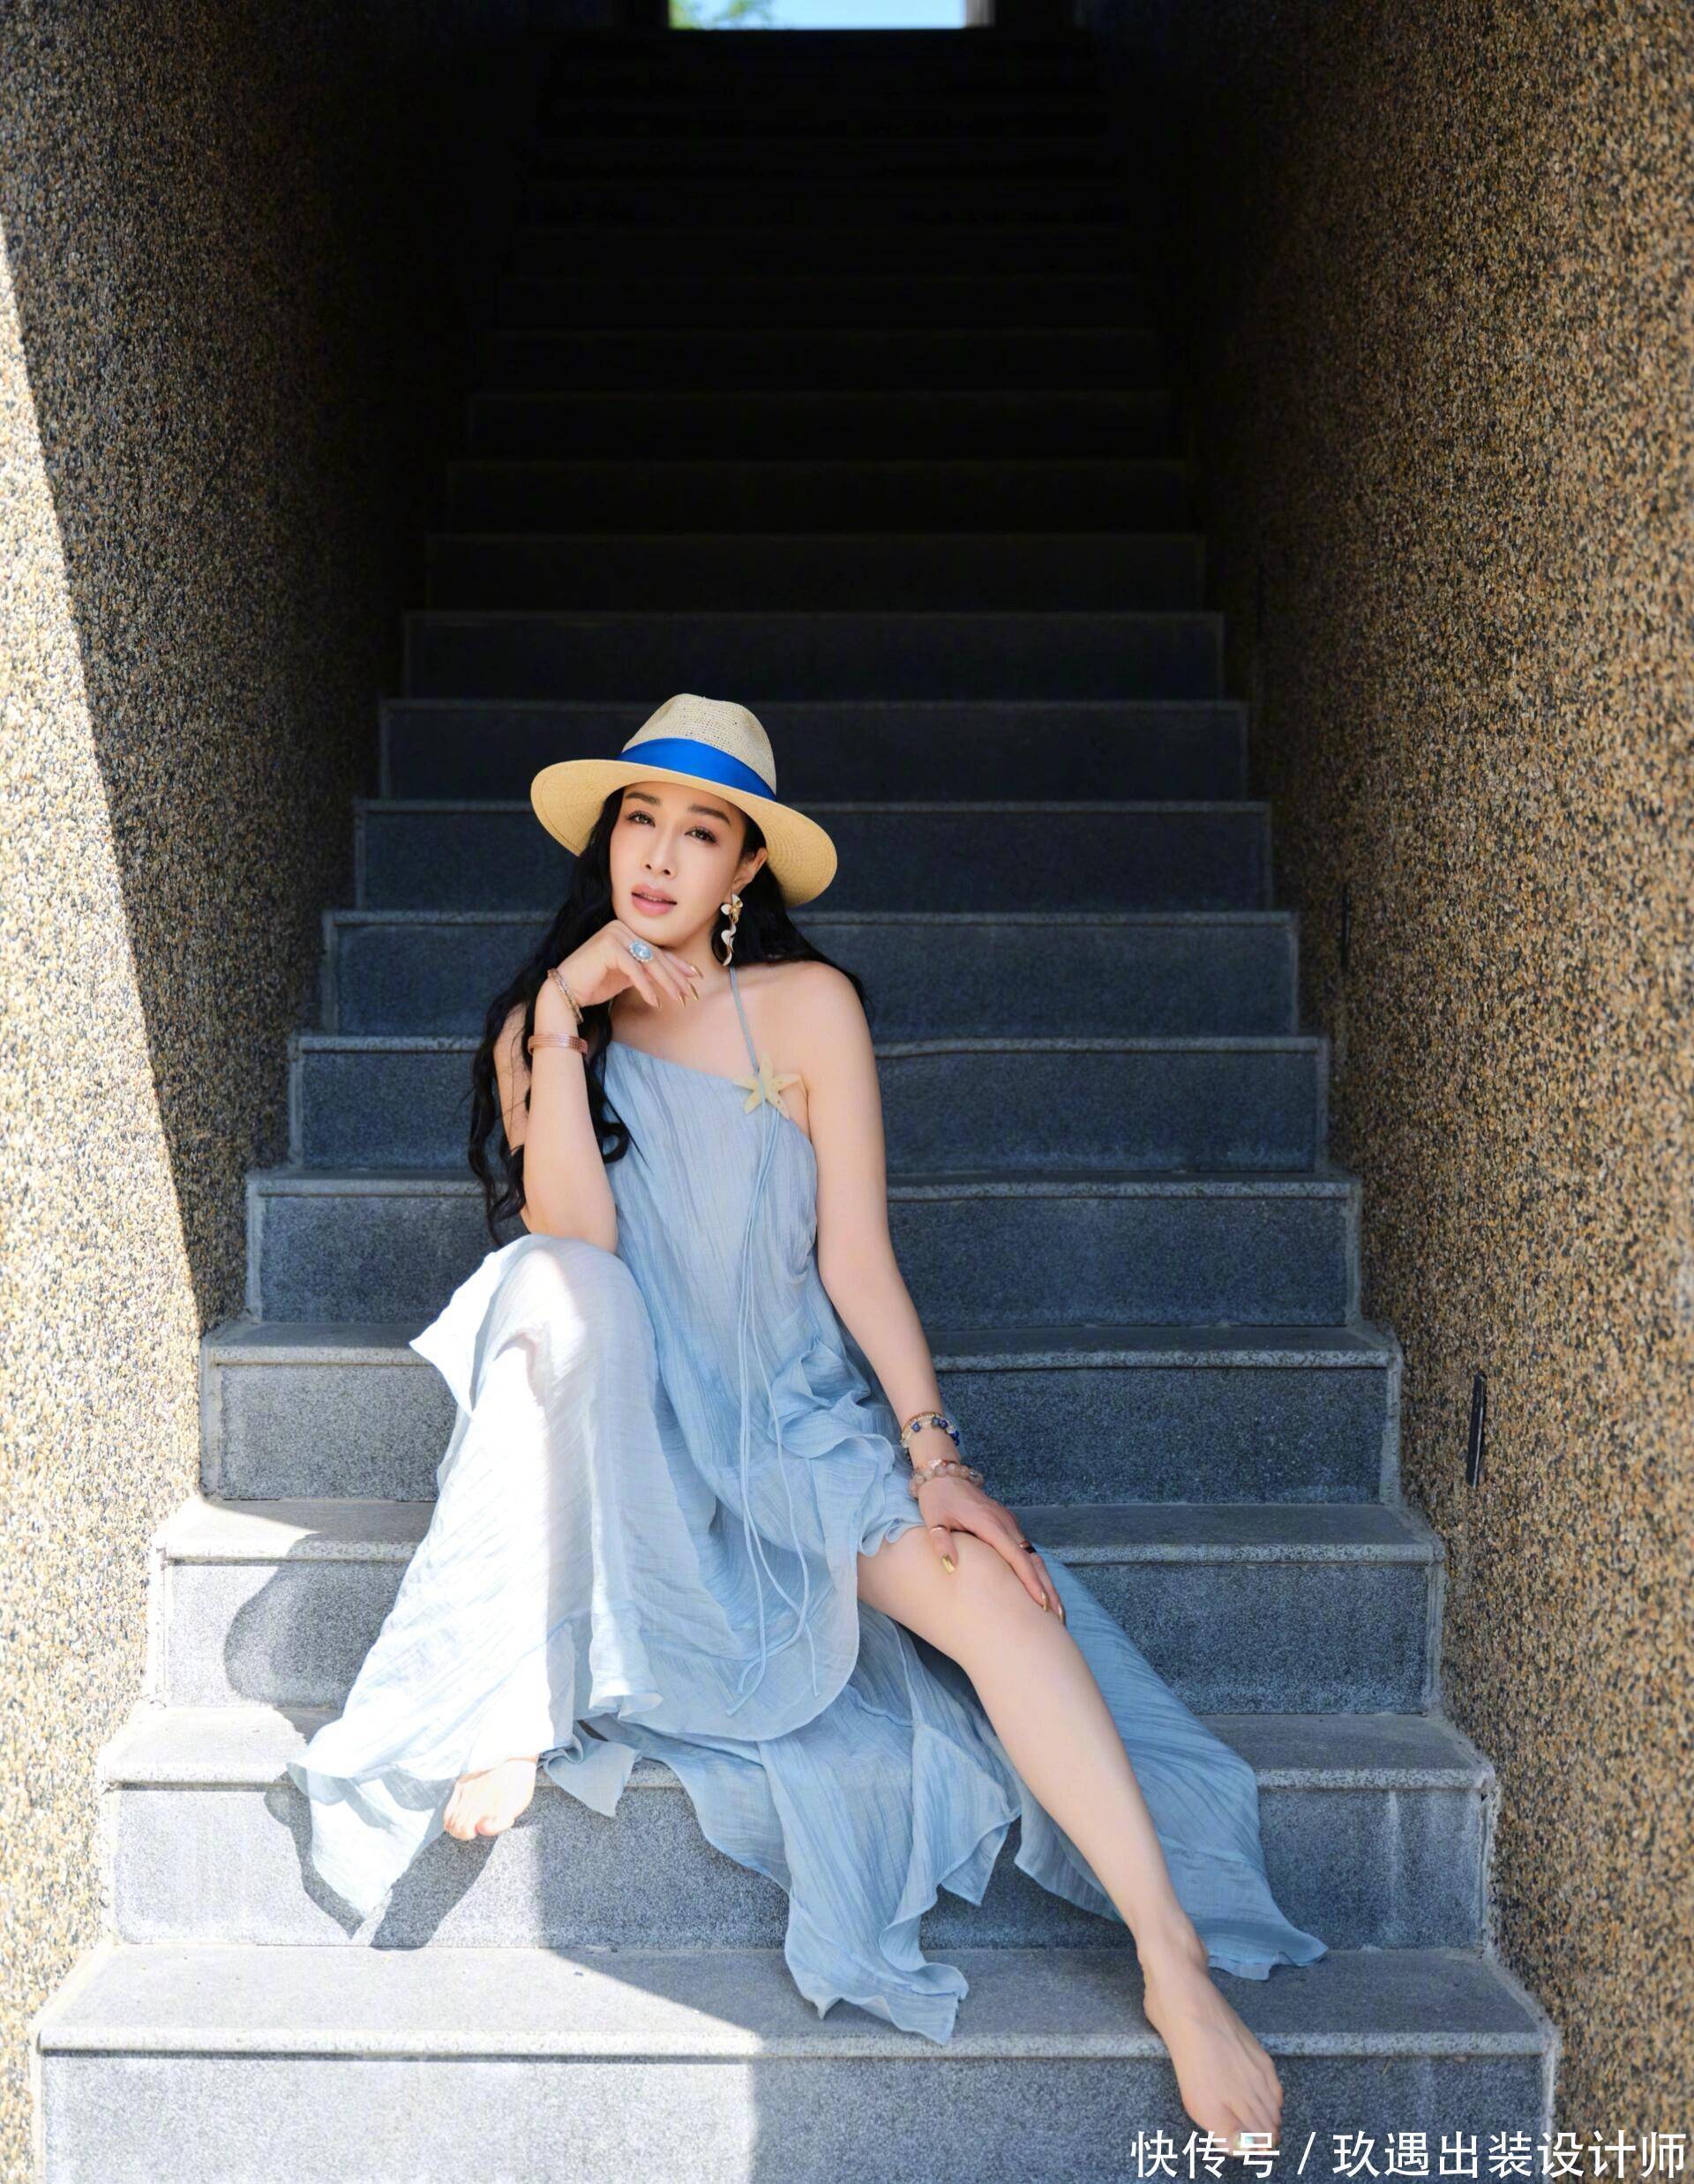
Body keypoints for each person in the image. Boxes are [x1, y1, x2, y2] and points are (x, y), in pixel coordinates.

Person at [287, 692, 1325, 2155]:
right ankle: (523, 1680)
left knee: (994, 1599)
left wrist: (934, 1455)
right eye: (639, 821)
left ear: (746, 868)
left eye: (699, 831)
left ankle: (1173, 1960)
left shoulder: (810, 1008)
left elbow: (856, 1259)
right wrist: (565, 1022)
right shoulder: (549, 1024)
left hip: (786, 1419)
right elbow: (582, 1244)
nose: (659, 855)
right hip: (630, 1436)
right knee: (545, 1289)